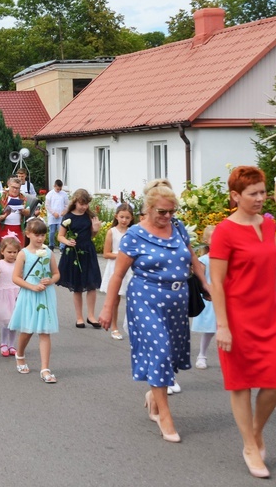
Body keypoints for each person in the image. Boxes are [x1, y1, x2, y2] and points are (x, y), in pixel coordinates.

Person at [211, 166, 276, 478]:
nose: (259, 199)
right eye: (252, 194)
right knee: (241, 384)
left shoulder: (268, 226)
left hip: (268, 314)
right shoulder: (224, 232)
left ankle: (255, 431)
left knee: (273, 381)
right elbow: (217, 283)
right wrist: (223, 325)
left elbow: (269, 272)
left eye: (262, 192)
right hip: (237, 317)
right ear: (235, 196)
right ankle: (250, 446)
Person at [97, 179, 209, 444]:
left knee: (169, 355)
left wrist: (206, 285)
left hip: (178, 301)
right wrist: (107, 307)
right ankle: (165, 414)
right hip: (145, 300)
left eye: (171, 211)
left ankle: (153, 395)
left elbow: (193, 259)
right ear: (148, 209)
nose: (167, 216)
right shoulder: (134, 235)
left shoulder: (178, 228)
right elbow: (118, 276)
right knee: (159, 351)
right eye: (162, 212)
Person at [9, 218, 60, 383]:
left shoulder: (49, 252)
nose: (40, 239)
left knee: (45, 331)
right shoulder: (23, 253)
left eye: (43, 235)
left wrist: (50, 281)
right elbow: (16, 278)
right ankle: (20, 354)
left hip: (45, 295)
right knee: (28, 330)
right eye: (37, 235)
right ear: (28, 234)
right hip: (30, 294)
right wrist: (32, 286)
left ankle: (45, 369)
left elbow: (56, 273)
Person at [57, 189, 103, 328]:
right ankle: (79, 317)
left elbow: (92, 236)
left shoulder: (90, 216)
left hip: (88, 251)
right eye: (81, 204)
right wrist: (67, 242)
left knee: (91, 284)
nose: (84, 207)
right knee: (77, 286)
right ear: (75, 202)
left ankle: (91, 315)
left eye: (86, 204)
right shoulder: (68, 217)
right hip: (74, 252)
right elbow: (60, 236)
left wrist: (95, 229)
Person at [99, 203, 135, 340]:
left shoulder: (132, 232)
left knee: (132, 298)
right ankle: (114, 326)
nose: (124, 220)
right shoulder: (112, 232)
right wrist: (121, 256)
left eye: (127, 217)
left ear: (131, 219)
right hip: (115, 266)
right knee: (115, 298)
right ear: (116, 216)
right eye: (122, 217)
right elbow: (106, 253)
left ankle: (132, 326)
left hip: (130, 268)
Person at [191, 225, 217, 369]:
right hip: (211, 298)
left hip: (226, 297)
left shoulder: (228, 259)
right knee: (210, 329)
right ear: (207, 240)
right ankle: (202, 354)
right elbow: (200, 280)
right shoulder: (204, 260)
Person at [44, 179, 68, 249]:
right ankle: (51, 245)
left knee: (61, 231)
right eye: (57, 189)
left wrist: (64, 211)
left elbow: (66, 204)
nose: (59, 190)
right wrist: (53, 213)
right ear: (54, 186)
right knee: (52, 232)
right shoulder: (50, 194)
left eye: (60, 189)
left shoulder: (64, 194)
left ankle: (62, 247)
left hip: (61, 216)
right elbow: (47, 205)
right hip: (52, 216)